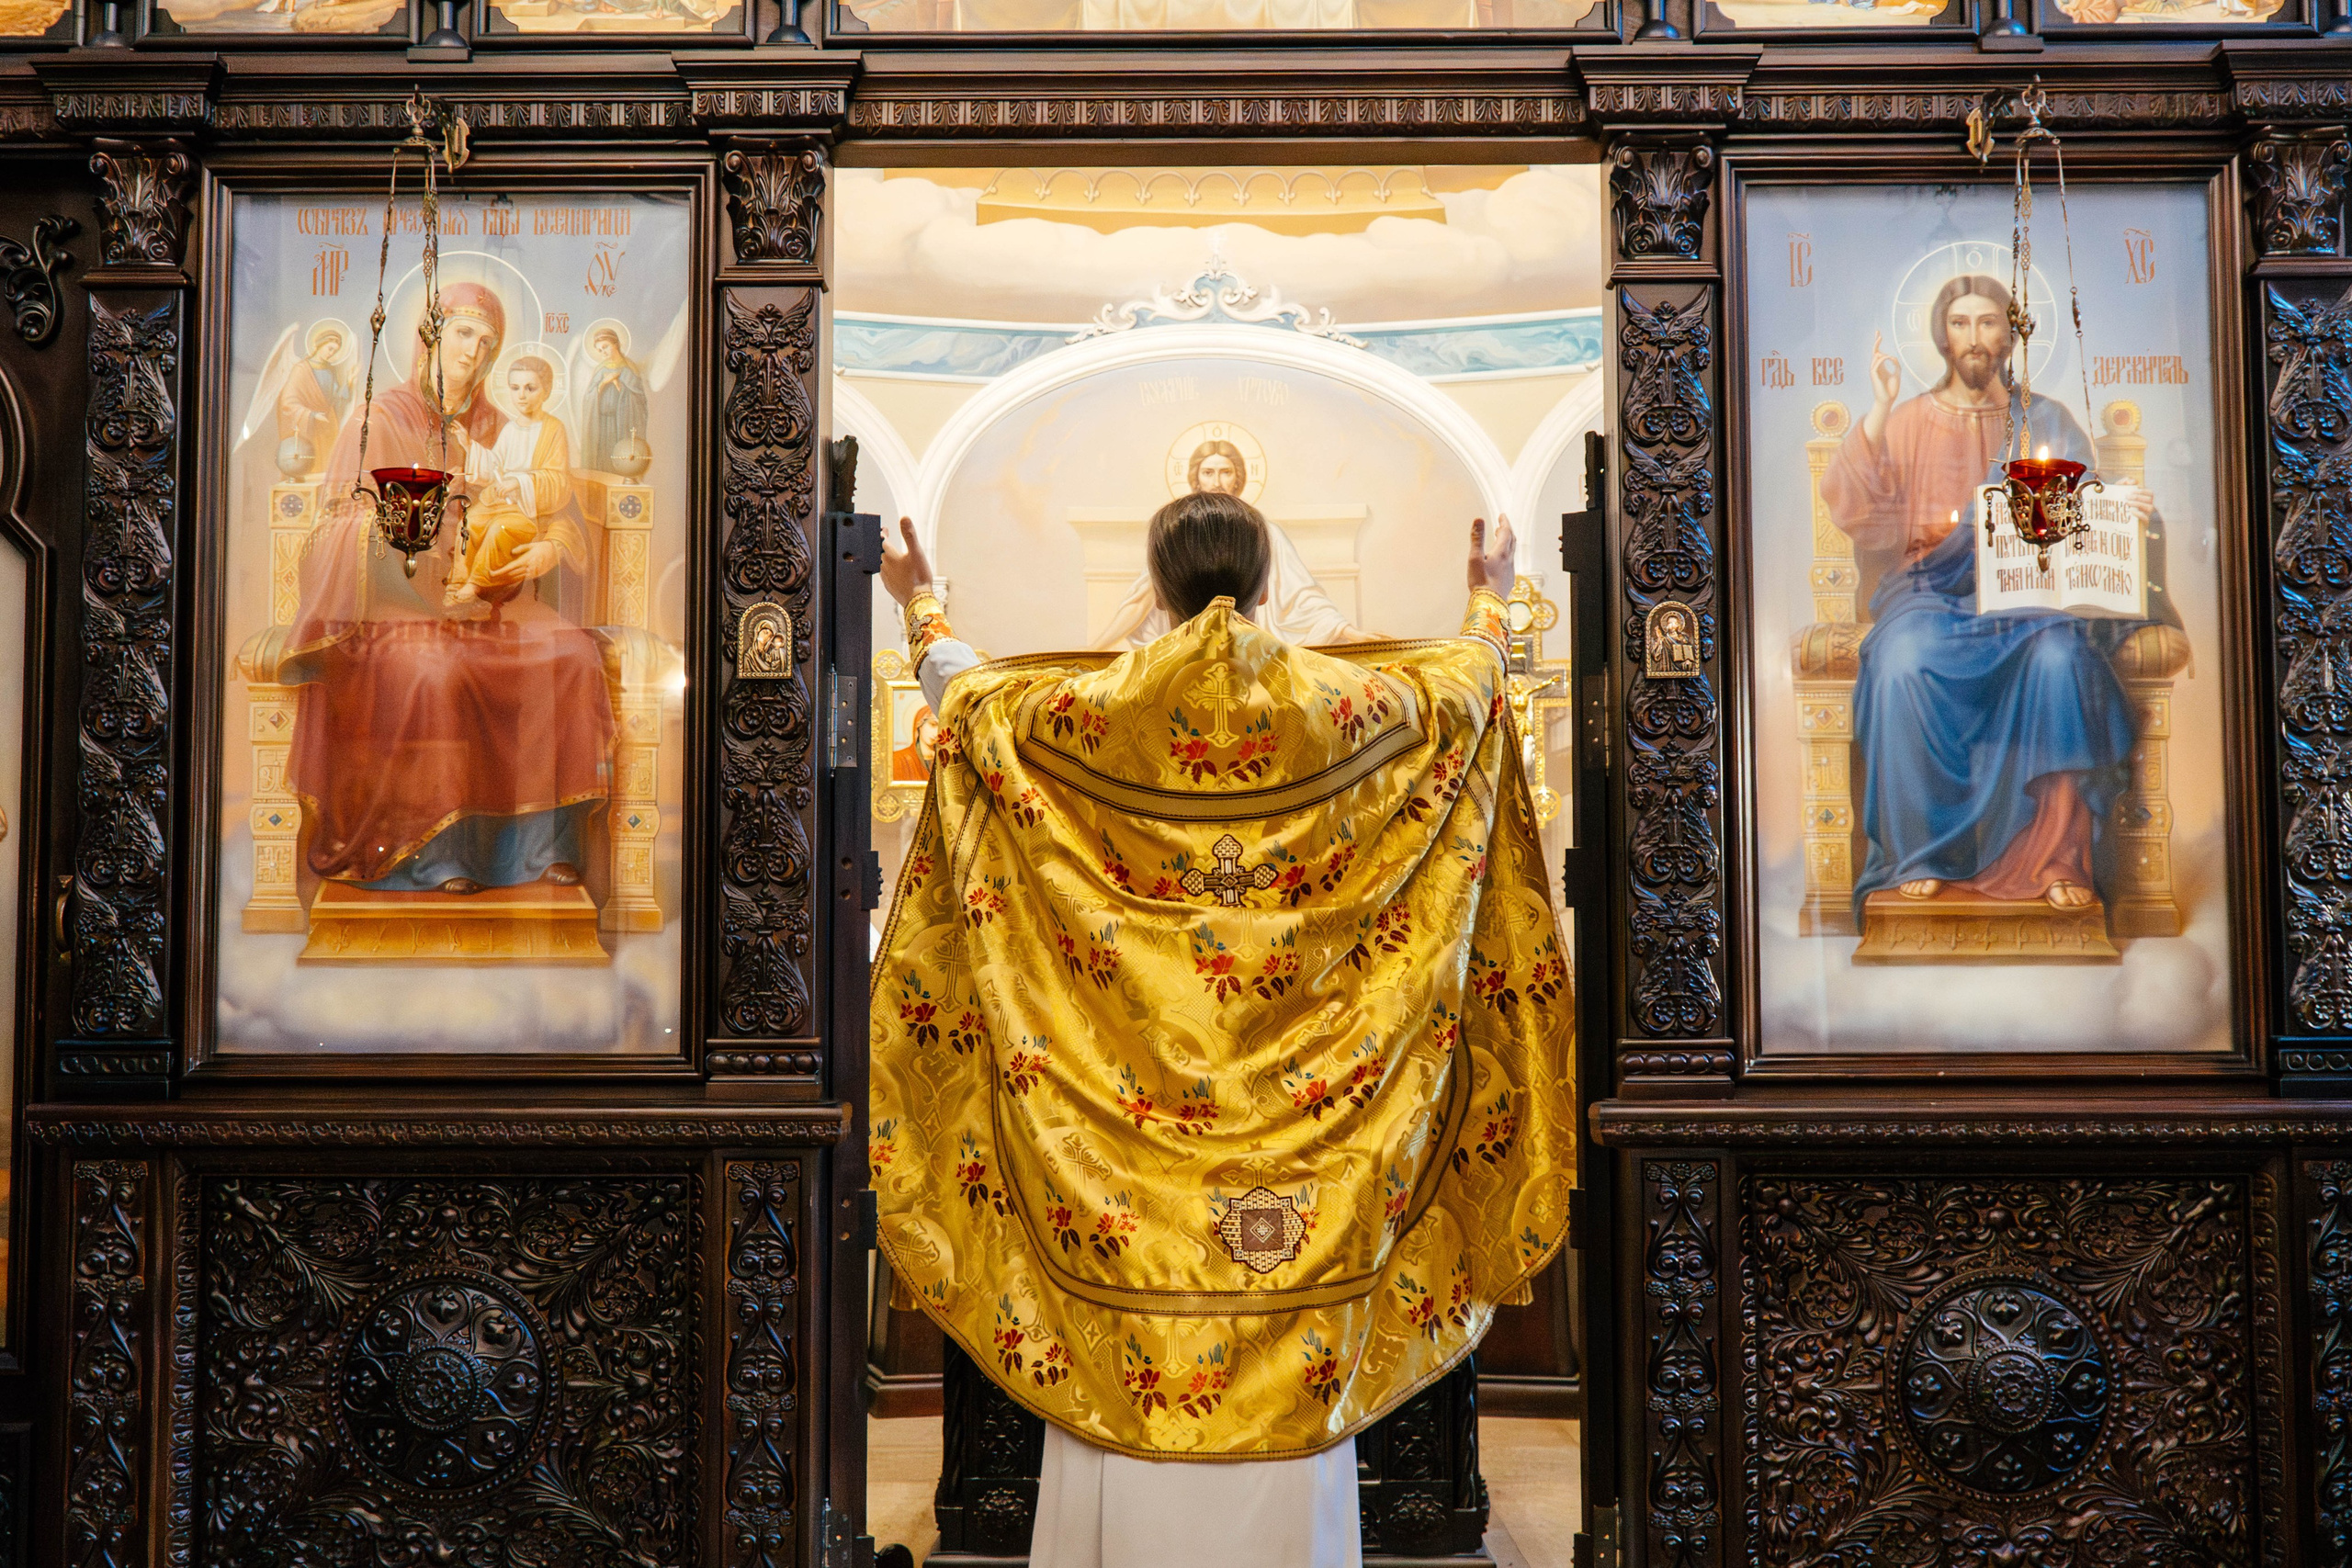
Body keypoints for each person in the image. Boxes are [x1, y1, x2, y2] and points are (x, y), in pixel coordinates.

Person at [869, 494, 1574, 1568]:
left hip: (1118, 1144)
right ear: (1260, 577)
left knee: (1119, 1367)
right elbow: (1468, 692)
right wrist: (1489, 592)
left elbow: (965, 697)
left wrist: (918, 600)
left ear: (1153, 582)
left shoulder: (1090, 712)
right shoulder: (1343, 706)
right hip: (1311, 1140)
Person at [1820, 271, 2170, 917]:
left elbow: (2084, 510)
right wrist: (1877, 408)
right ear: (1942, 336)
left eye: (1988, 322)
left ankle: (2055, 859)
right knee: (1899, 662)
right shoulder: (1908, 420)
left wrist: (2126, 506)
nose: (1975, 337)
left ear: (2009, 334)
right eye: (1961, 323)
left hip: (2025, 600)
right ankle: (1919, 854)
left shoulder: (2046, 419)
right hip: (1929, 592)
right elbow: (1857, 510)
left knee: (2062, 661)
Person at [284, 282, 614, 898]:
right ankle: (438, 851)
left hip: (496, 597)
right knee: (435, 674)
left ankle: (542, 847)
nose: (475, 350)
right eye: (464, 332)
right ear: (431, 336)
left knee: (571, 657)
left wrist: (550, 545)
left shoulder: (510, 423)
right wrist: (406, 540)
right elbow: (337, 527)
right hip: (396, 606)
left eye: (488, 341)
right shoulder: (379, 417)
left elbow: (557, 507)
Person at [1091, 440, 1376, 649]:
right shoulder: (1176, 532)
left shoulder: (1266, 533)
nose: (1217, 481)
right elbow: (1138, 601)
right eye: (1208, 472)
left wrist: (1347, 631)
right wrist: (1093, 651)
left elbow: (1301, 593)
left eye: (1225, 472)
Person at [447, 355, 588, 612]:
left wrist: (519, 483)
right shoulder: (510, 429)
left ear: (545, 391)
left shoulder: (554, 429)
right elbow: (495, 465)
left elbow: (558, 479)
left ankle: (477, 585)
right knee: (470, 523)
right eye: (515, 388)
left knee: (499, 529)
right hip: (499, 501)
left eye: (530, 388)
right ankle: (457, 582)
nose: (521, 395)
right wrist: (470, 447)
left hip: (529, 511)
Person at [577, 322, 650, 475]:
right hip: (602, 424)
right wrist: (603, 383)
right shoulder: (600, 370)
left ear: (616, 344)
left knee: (620, 459)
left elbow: (638, 400)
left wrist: (617, 383)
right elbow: (589, 397)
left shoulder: (629, 368)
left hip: (621, 424)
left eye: (605, 346)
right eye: (600, 350)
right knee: (602, 460)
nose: (603, 352)